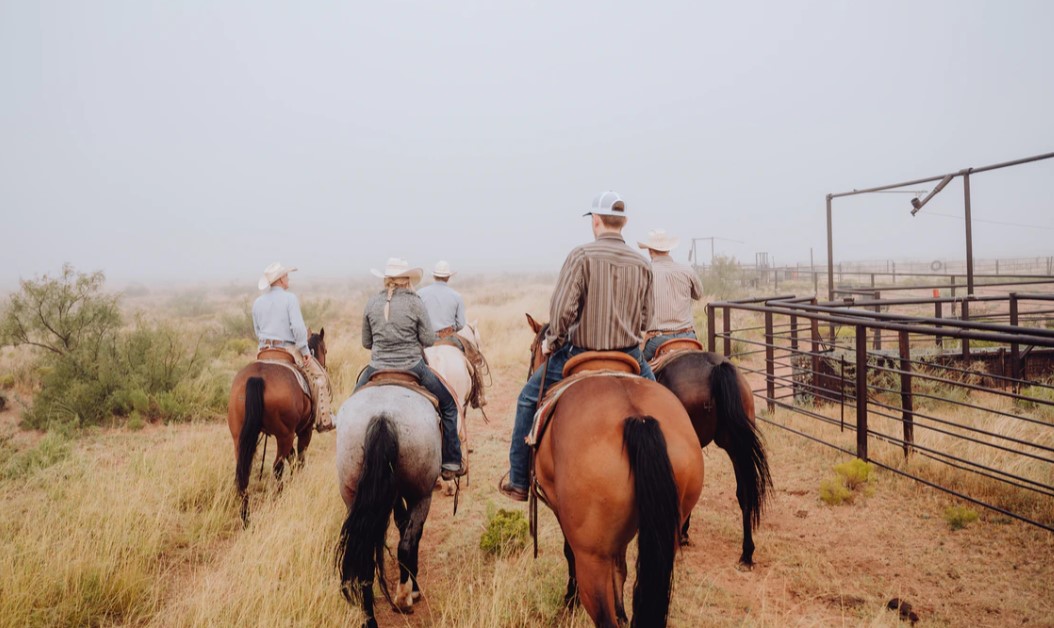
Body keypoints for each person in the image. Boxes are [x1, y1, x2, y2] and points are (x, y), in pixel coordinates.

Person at [500, 191, 654, 501]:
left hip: (581, 352)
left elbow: (563, 313)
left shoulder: (581, 256)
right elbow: (646, 318)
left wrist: (552, 341)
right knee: (665, 402)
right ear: (623, 223)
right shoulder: (642, 263)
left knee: (527, 400)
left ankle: (518, 479)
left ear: (596, 221)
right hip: (629, 355)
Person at [355, 257, 467, 480]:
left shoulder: (372, 303)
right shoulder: (415, 302)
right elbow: (426, 339)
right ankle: (452, 461)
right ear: (407, 280)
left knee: (352, 405)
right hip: (413, 367)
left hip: (376, 367)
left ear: (386, 279)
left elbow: (367, 343)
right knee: (449, 405)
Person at [252, 262, 335, 432]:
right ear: (281, 280)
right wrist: (305, 351)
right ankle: (324, 420)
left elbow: (257, 330)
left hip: (264, 351)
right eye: (286, 276)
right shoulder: (290, 298)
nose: (288, 278)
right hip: (287, 349)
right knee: (320, 378)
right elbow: (298, 329)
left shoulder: (258, 302)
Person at [638, 228, 704, 361]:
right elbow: (699, 295)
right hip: (688, 337)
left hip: (658, 340)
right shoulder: (687, 271)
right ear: (668, 250)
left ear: (650, 251)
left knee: (637, 368)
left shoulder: (644, 273)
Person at [417, 260, 466, 338]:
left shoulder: (420, 293)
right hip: (448, 337)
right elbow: (461, 324)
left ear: (433, 276)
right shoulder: (457, 296)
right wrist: (451, 329)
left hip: (426, 338)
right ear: (448, 277)